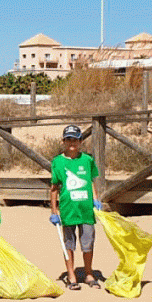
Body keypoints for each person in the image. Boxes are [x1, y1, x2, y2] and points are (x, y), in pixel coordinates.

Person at [50, 124, 102, 290]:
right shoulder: (57, 162)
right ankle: (71, 274)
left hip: (86, 210)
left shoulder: (87, 160)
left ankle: (88, 274)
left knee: (88, 243)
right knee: (69, 244)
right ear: (64, 141)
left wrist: (95, 199)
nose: (72, 142)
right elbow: (54, 188)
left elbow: (92, 181)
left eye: (75, 139)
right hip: (68, 210)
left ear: (80, 141)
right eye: (68, 139)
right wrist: (54, 211)